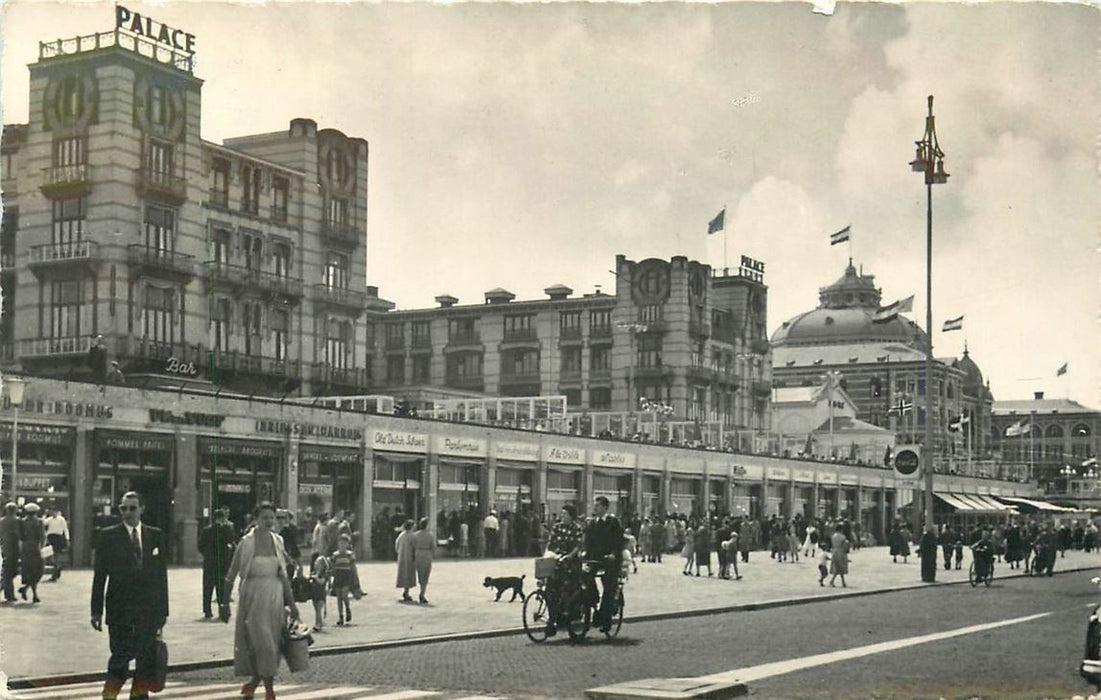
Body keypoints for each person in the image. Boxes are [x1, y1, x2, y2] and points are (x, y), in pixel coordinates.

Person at [90, 492, 169, 700]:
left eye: (132, 508)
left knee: (144, 664)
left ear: (142, 509)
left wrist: (163, 612)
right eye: (123, 508)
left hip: (148, 612)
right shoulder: (108, 535)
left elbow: (161, 577)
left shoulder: (155, 535)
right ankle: (109, 696)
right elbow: (99, 576)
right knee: (119, 660)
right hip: (120, 610)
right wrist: (96, 611)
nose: (127, 512)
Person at [221, 502, 301, 700]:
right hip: (253, 597)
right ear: (255, 519)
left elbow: (283, 575)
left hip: (274, 597)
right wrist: (224, 602)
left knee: (272, 645)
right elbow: (231, 573)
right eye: (264, 517)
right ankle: (269, 690)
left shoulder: (278, 541)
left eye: (272, 517)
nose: (269, 521)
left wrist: (292, 604)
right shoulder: (246, 542)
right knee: (261, 643)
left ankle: (255, 684)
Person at [582, 496, 624, 633]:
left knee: (609, 586)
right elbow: (588, 542)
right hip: (596, 559)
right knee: (585, 576)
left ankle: (606, 620)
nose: (595, 508)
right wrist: (584, 553)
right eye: (595, 506)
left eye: (598, 506)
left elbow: (618, 541)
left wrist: (613, 554)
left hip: (610, 561)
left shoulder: (613, 522)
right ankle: (593, 598)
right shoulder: (592, 523)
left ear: (605, 508)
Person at [199, 510, 236, 619]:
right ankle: (222, 610)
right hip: (222, 563)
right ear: (222, 518)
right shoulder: (227, 530)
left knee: (207, 588)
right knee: (221, 588)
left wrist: (207, 555)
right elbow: (231, 545)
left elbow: (200, 545)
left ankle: (207, 611)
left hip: (209, 563)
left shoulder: (206, 530)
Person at [18, 503, 45, 603]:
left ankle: (27, 590)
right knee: (38, 571)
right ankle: (32, 593)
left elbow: (20, 536)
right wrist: (42, 547)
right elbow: (42, 537)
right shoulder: (39, 522)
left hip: (25, 548)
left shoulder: (22, 522)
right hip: (35, 548)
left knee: (29, 571)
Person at [0, 502, 23, 603]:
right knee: (12, 571)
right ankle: (9, 594)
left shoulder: (2, 521)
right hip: (14, 548)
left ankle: (7, 591)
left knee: (8, 570)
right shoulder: (17, 521)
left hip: (5, 547)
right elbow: (20, 535)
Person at [330, 534, 356, 625]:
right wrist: (331, 576)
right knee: (339, 597)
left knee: (345, 594)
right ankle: (340, 616)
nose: (342, 545)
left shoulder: (349, 554)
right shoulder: (335, 555)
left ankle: (348, 609)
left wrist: (354, 579)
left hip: (346, 575)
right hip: (338, 575)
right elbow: (332, 566)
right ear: (338, 544)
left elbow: (353, 567)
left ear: (347, 544)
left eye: (344, 543)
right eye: (341, 543)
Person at [412, 517, 436, 604]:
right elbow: (433, 547)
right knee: (425, 575)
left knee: (419, 573)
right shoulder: (430, 535)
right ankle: (422, 592)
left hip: (418, 553)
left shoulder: (415, 535)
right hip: (426, 554)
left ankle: (419, 590)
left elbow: (412, 546)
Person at [43, 507, 69, 581]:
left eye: (55, 512)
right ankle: (57, 569)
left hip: (58, 538)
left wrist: (67, 539)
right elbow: (43, 522)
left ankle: (55, 572)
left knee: (56, 555)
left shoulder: (61, 519)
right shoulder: (50, 519)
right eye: (52, 512)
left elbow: (65, 529)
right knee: (50, 555)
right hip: (51, 537)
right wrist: (45, 514)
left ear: (57, 512)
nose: (53, 513)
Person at [394, 519, 416, 602]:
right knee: (408, 575)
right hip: (409, 557)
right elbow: (415, 547)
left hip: (401, 557)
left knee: (403, 574)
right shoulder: (413, 536)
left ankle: (405, 591)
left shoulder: (401, 535)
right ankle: (406, 592)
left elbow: (396, 546)